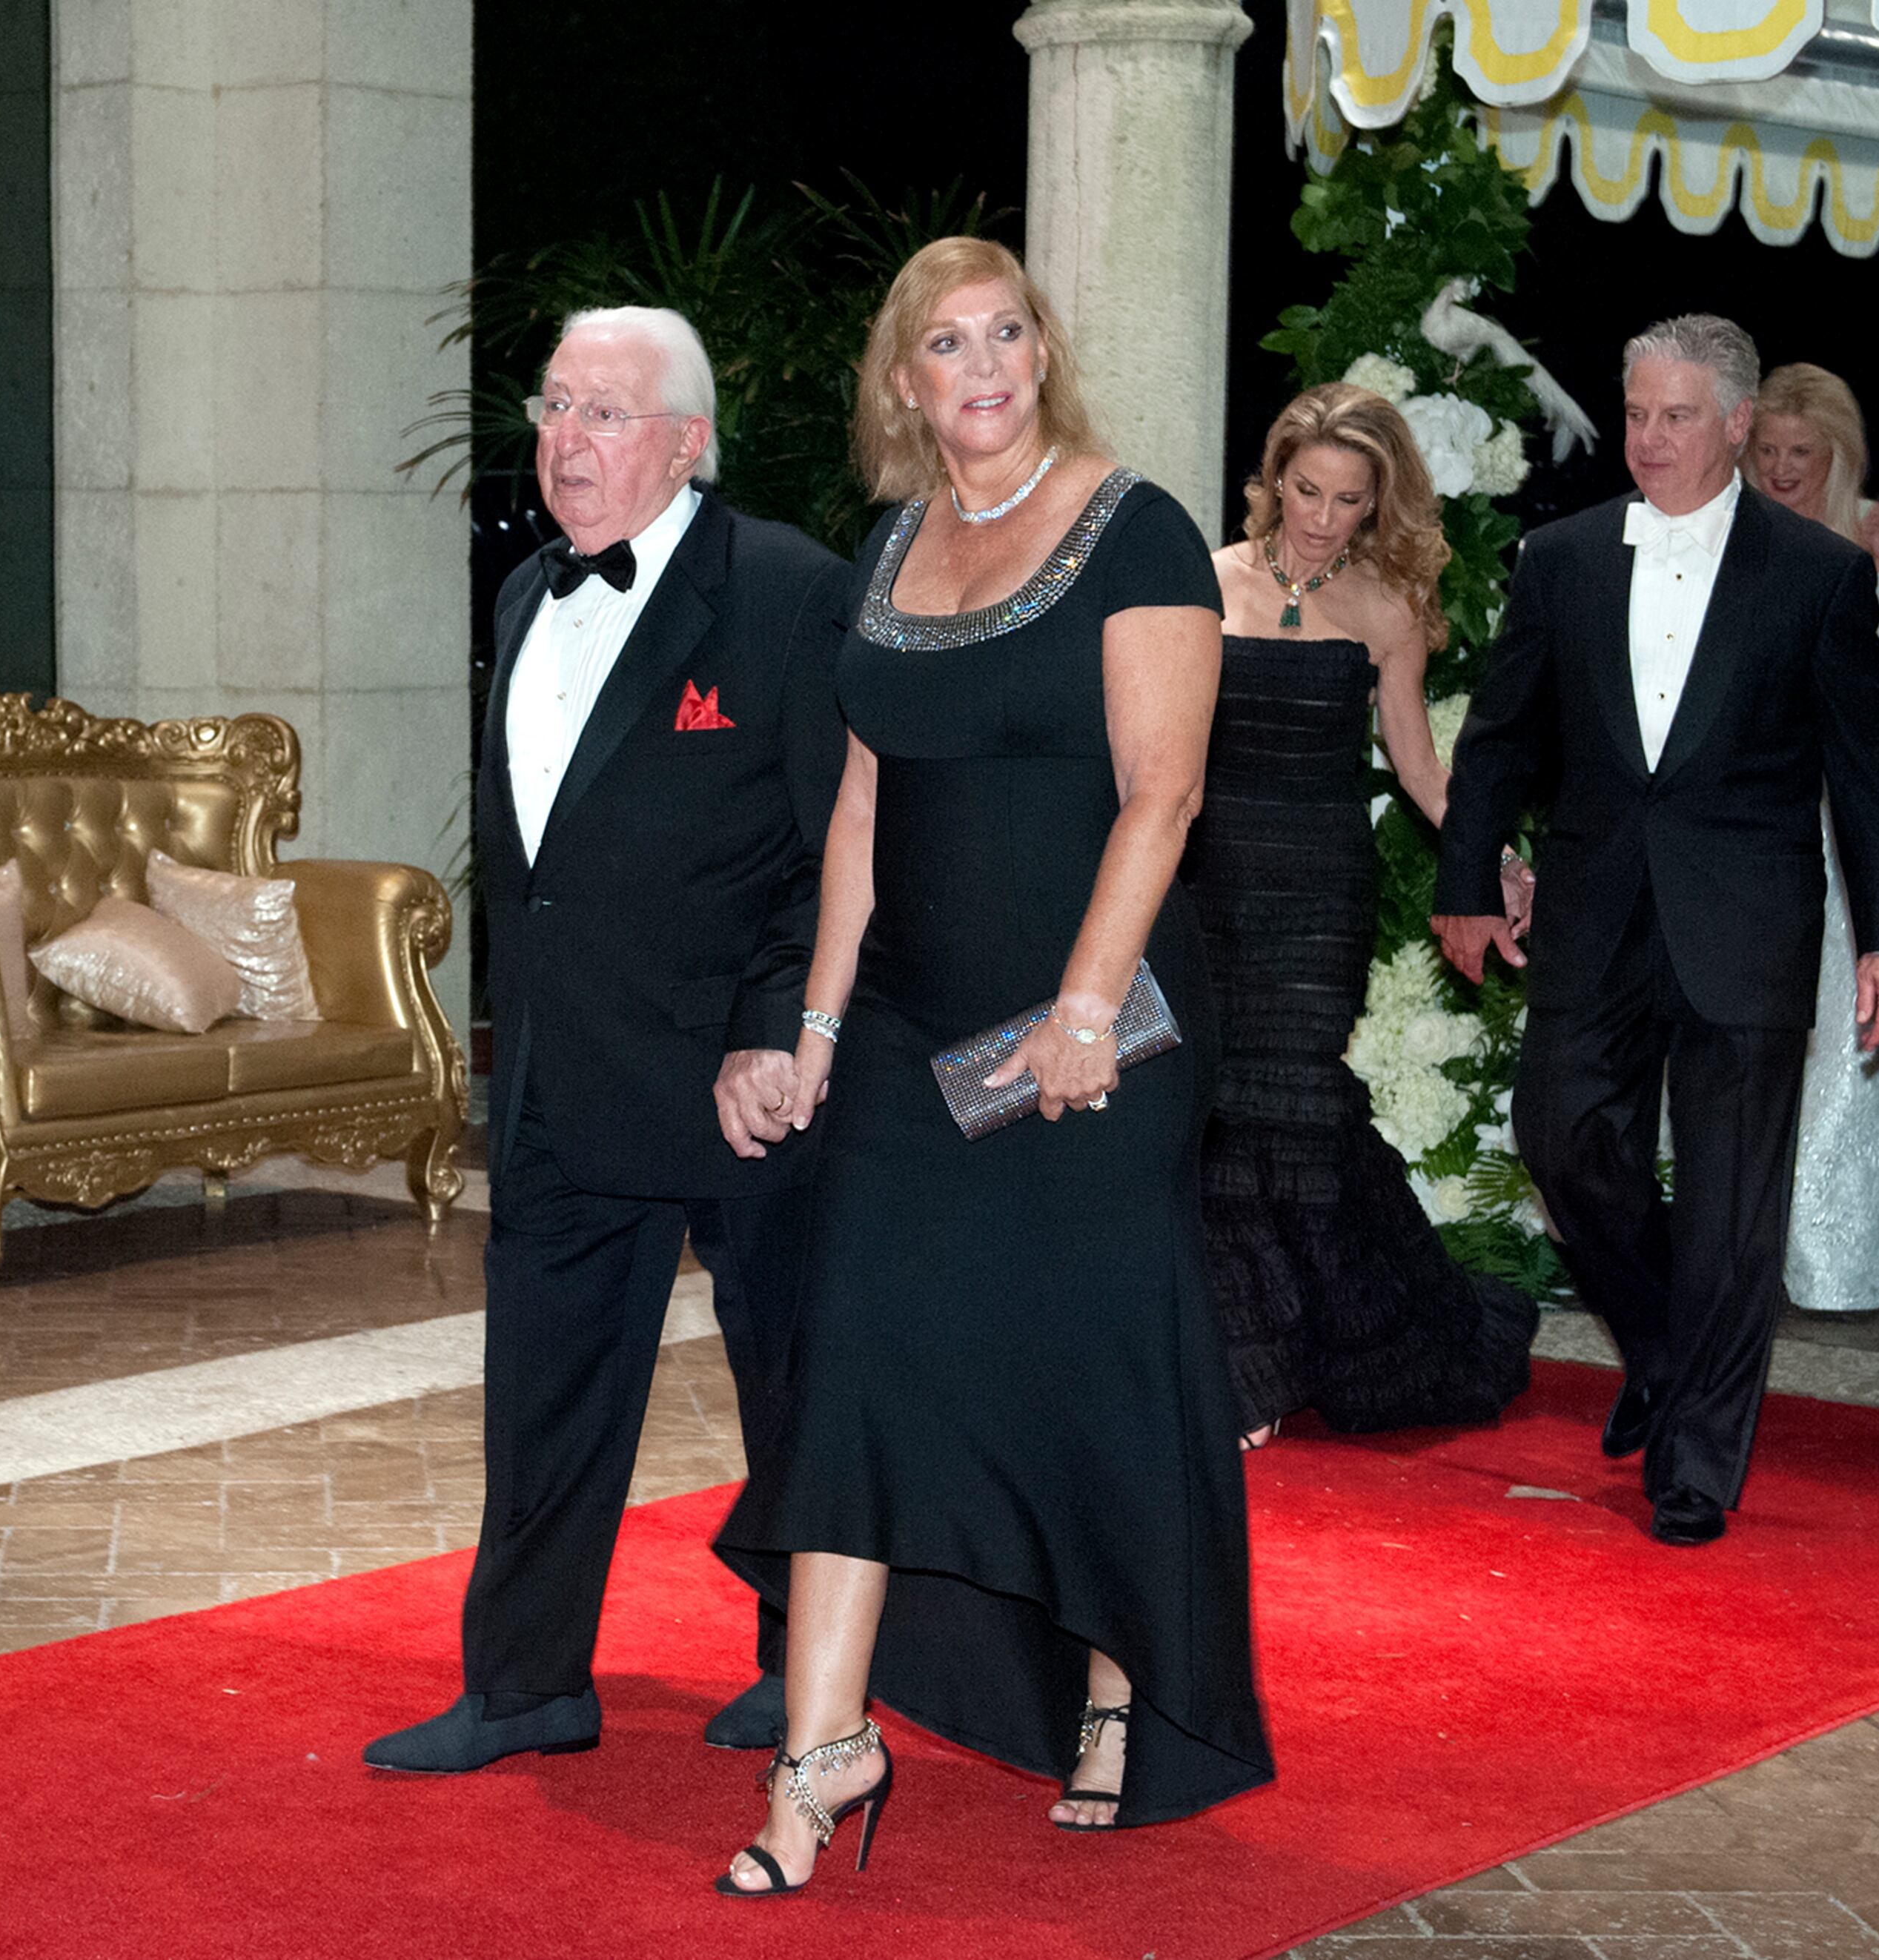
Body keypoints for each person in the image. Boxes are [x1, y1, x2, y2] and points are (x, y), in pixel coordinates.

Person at [710, 238, 1269, 1894]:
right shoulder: (893, 547)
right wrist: (810, 1028)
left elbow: (1161, 795)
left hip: (1100, 1021)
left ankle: (1122, 1686)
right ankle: (823, 1754)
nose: (985, 363)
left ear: (1042, 351)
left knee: (1092, 1362)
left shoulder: (1140, 526)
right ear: (906, 380)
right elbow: (864, 815)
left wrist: (1087, 1010)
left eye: (1008, 331)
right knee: (860, 1358)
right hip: (903, 1028)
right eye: (948, 341)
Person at [362, 307, 853, 1774]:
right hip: (565, 1077)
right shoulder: (523, 589)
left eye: (605, 415)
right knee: (545, 1386)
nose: (564, 440)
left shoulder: (784, 591)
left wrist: (776, 1031)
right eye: (554, 406)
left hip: (734, 1077)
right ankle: (525, 1682)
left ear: (689, 442)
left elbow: (832, 845)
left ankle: (801, 1663)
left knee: (790, 1380)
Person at [1430, 315, 1879, 1549]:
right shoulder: (1565, 556)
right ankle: (1658, 1340)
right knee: (1561, 1134)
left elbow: (1868, 775)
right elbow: (1499, 737)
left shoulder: (1817, 572)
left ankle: (1699, 1457)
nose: (1647, 438)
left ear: (1740, 422)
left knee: (1731, 1206)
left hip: (1747, 919)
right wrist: (1465, 884)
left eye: (1677, 415)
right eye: (1637, 412)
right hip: (1597, 906)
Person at [1190, 383, 1539, 1447]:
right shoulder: (1204, 584)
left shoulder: (1388, 610)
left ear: (1376, 504)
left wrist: (1493, 859)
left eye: (1348, 499)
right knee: (1221, 1116)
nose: (1322, 516)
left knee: (1296, 1105)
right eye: (1306, 489)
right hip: (1209, 882)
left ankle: (1344, 1339)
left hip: (1316, 889)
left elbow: (1423, 771)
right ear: (1272, 476)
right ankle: (1248, 1367)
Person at [1748, 364, 1879, 1319]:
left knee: (1848, 1038)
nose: (1782, 470)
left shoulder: (1876, 529)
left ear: (1839, 454)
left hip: (1843, 817)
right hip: (1752, 816)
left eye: (1802, 454)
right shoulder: (1729, 526)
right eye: (1767, 451)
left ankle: (1832, 1251)